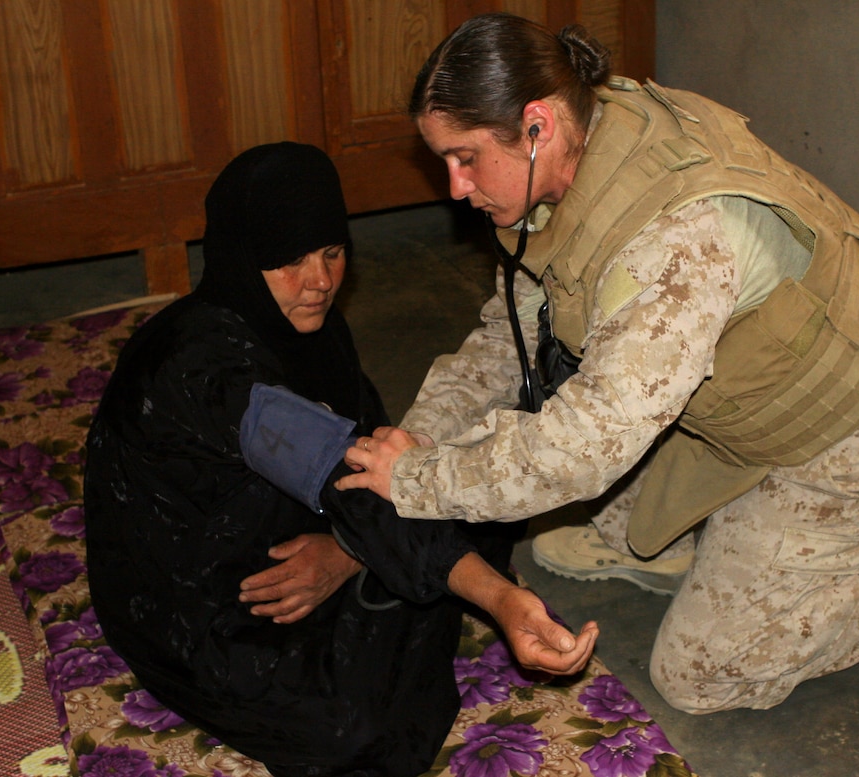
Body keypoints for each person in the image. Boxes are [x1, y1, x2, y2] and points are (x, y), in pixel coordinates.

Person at [335, 13, 859, 714]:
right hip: (724, 396)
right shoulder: (578, 138)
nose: (454, 187)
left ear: (536, 125)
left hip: (835, 433)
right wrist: (420, 434)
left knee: (703, 672)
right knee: (583, 502)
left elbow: (584, 449)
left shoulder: (672, 240)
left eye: (465, 157)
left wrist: (418, 479)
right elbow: (511, 331)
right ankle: (676, 541)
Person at [84, 141, 597, 777]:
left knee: (460, 491)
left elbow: (371, 457)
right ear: (243, 261)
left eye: (331, 252)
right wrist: (496, 598)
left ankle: (395, 569)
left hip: (300, 533)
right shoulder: (209, 371)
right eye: (289, 261)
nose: (321, 281)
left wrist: (345, 551)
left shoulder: (309, 323)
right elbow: (338, 468)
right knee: (350, 732)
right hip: (205, 597)